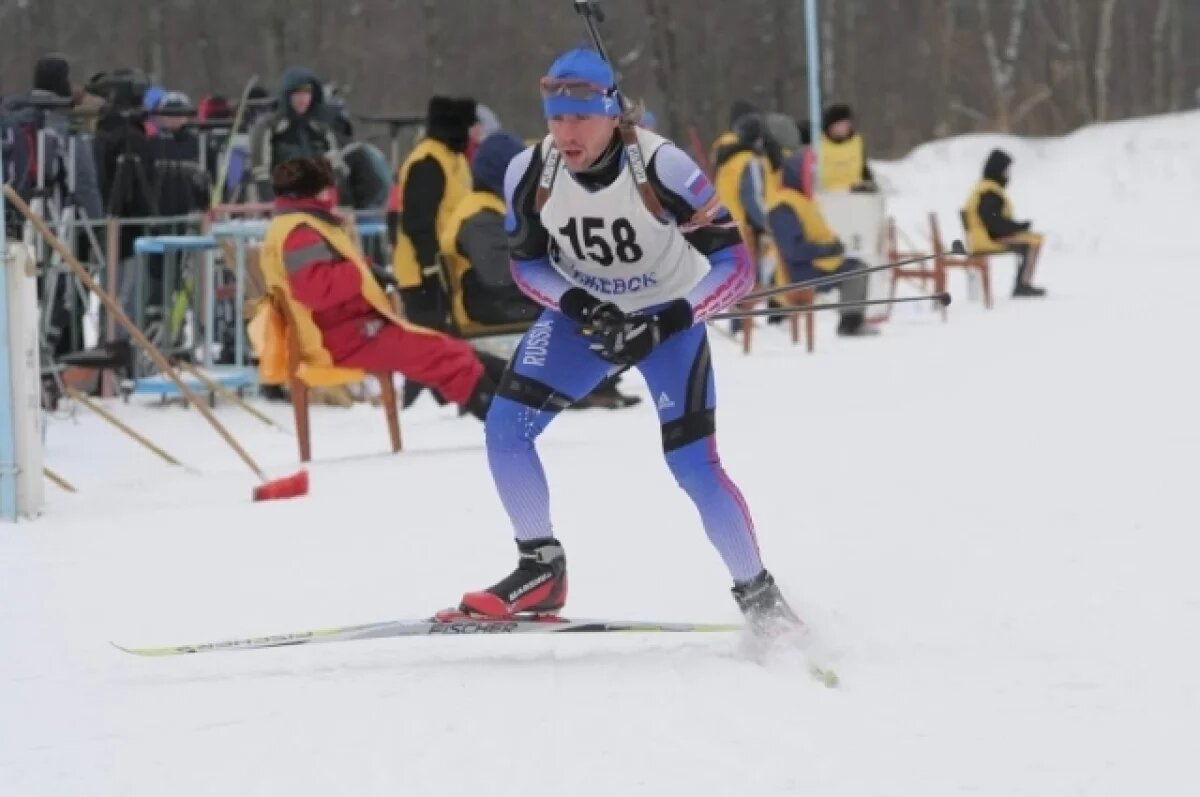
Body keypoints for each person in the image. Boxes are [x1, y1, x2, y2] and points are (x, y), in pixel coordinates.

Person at [456, 47, 802, 635]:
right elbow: (528, 267)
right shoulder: (529, 171)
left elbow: (736, 267)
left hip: (670, 319)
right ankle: (540, 567)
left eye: (581, 118)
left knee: (693, 466)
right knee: (505, 429)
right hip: (584, 317)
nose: (567, 133)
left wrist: (668, 320)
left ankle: (760, 597)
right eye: (556, 118)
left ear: (613, 114)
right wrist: (579, 304)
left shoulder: (663, 168)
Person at [259, 156, 497, 420]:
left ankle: (513, 398)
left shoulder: (294, 224)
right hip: (340, 338)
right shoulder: (300, 231)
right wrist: (359, 271)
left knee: (447, 348)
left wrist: (365, 271)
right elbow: (316, 290)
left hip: (343, 329)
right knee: (442, 355)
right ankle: (503, 419)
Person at [390, 95, 477, 329]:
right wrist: (431, 267)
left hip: (451, 272)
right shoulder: (427, 162)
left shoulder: (455, 159)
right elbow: (417, 221)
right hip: (423, 276)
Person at [768, 154, 877, 337]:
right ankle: (850, 324)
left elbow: (816, 233)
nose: (813, 177)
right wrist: (826, 250)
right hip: (801, 272)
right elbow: (793, 250)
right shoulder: (784, 207)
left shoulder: (800, 200)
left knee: (856, 265)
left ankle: (852, 319)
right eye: (809, 173)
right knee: (856, 270)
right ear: (797, 174)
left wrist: (835, 246)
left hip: (814, 265)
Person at [962, 149, 1046, 298]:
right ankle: (1022, 285)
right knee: (1033, 242)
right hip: (986, 239)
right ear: (998, 170)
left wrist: (1017, 227)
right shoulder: (990, 192)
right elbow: (994, 223)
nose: (1008, 174)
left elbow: (994, 220)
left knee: (1032, 238)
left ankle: (1022, 283)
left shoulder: (985, 188)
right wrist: (1018, 227)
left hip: (981, 237)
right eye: (1006, 170)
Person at [817, 103, 874, 192]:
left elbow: (864, 170)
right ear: (830, 126)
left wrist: (869, 185)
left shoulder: (857, 142)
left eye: (846, 123)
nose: (844, 127)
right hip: (827, 196)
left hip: (854, 196)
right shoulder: (818, 144)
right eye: (840, 124)